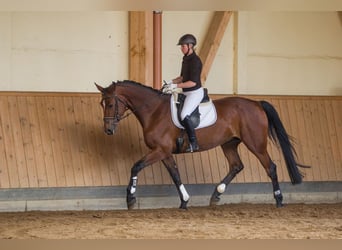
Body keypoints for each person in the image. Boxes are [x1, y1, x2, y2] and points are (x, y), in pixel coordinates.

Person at [164, 34, 204, 152]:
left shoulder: (196, 61)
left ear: (190, 46)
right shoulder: (185, 59)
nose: (181, 48)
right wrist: (170, 82)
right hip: (186, 93)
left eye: (183, 46)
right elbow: (182, 77)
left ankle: (193, 142)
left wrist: (175, 86)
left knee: (184, 114)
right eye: (181, 46)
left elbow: (192, 83)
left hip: (195, 93)